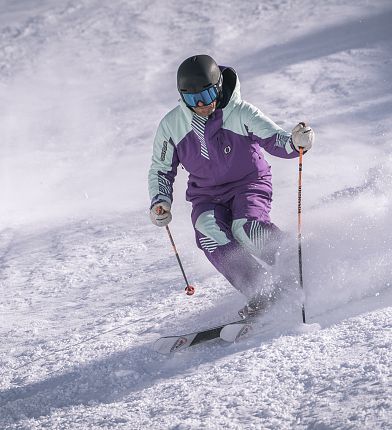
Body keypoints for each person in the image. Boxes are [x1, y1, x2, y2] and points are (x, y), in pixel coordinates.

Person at [148, 54, 314, 318]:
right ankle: (261, 291)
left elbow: (275, 140)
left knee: (246, 227)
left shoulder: (240, 112)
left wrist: (296, 143)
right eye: (192, 99)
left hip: (248, 183)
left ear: (218, 86)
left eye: (206, 94)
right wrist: (160, 201)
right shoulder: (172, 126)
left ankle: (295, 266)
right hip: (207, 195)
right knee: (207, 232)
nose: (201, 104)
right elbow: (161, 168)